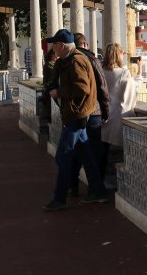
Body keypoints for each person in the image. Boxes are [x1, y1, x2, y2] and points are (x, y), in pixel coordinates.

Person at [42, 29, 107, 211]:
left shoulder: (75, 62)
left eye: (54, 44)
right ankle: (98, 191)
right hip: (77, 114)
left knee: (63, 157)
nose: (52, 48)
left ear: (62, 46)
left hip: (77, 115)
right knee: (86, 155)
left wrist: (58, 92)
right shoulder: (71, 59)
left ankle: (59, 197)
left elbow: (82, 89)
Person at [68, 32, 109, 197]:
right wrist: (105, 111)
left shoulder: (67, 60)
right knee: (94, 152)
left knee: (75, 151)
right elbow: (102, 87)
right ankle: (96, 189)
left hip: (74, 113)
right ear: (85, 44)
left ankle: (72, 185)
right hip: (93, 112)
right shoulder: (92, 59)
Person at [101, 43, 137, 185]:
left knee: (102, 152)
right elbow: (127, 100)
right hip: (117, 116)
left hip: (102, 115)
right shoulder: (123, 73)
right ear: (119, 54)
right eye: (122, 52)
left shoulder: (101, 71)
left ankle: (100, 182)